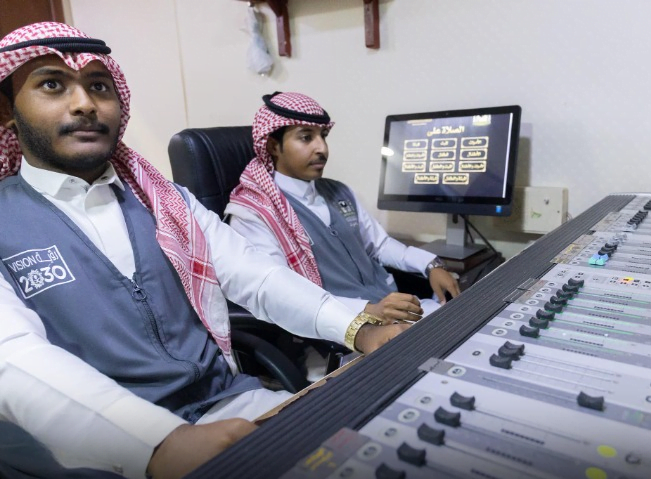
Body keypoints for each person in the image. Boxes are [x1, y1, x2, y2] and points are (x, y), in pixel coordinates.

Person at [0, 23, 410, 479]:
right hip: (101, 447)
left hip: (229, 404)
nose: (84, 104)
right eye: (52, 85)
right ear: (8, 113)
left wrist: (357, 327)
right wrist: (157, 442)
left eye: (99, 86)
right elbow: (12, 356)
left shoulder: (167, 201)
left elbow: (256, 275)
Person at [225, 92, 461, 324]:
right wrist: (369, 310)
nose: (322, 149)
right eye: (306, 138)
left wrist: (431, 265)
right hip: (342, 328)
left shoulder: (340, 192)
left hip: (393, 310)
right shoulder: (254, 213)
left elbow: (379, 245)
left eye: (323, 136)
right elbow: (281, 293)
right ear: (274, 147)